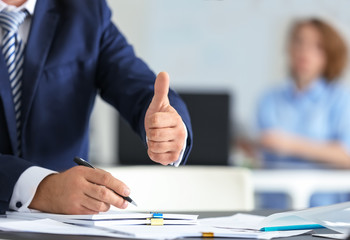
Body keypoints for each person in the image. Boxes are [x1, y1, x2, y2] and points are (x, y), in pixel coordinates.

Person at [0, 0, 193, 214]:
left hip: (66, 226)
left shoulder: (85, 10)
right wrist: (40, 187)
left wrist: (166, 125)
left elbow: (137, 83)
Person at [256, 18, 350, 207]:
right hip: (273, 209)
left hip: (326, 209)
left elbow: (346, 156)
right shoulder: (269, 98)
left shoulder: (341, 99)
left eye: (317, 46)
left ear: (329, 54)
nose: (304, 51)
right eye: (299, 41)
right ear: (289, 48)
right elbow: (261, 153)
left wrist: (288, 144)